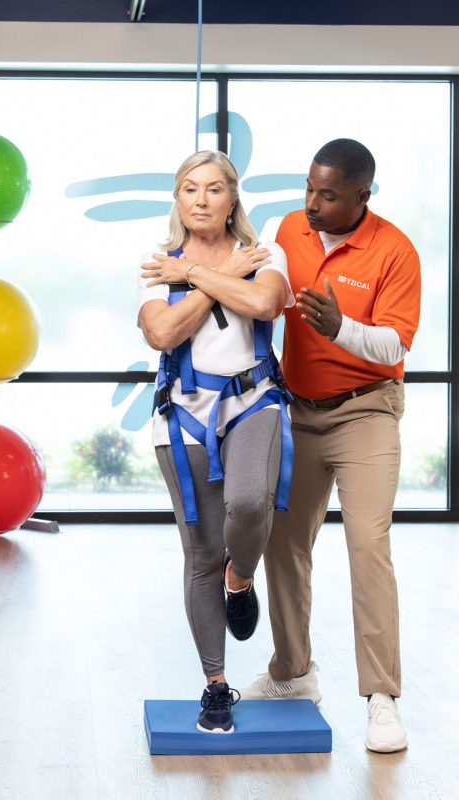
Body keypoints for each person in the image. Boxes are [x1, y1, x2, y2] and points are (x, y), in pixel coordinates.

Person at [244, 138, 420, 753]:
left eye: (328, 195)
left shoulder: (394, 250)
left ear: (361, 196)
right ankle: (293, 673)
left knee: (368, 543)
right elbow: (252, 281)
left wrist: (339, 328)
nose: (312, 204)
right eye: (309, 190)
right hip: (297, 410)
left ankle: (381, 697)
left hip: (366, 410)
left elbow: (395, 347)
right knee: (283, 541)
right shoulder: (288, 228)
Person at [137, 150, 294, 735]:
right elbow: (162, 331)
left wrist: (196, 277)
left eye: (212, 189)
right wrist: (211, 276)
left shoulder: (266, 254)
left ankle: (242, 578)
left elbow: (264, 303)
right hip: (182, 414)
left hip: (254, 401)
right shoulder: (157, 266)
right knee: (201, 554)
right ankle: (215, 685)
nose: (199, 199)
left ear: (233, 199)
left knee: (250, 503)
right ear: (177, 199)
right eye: (187, 189)